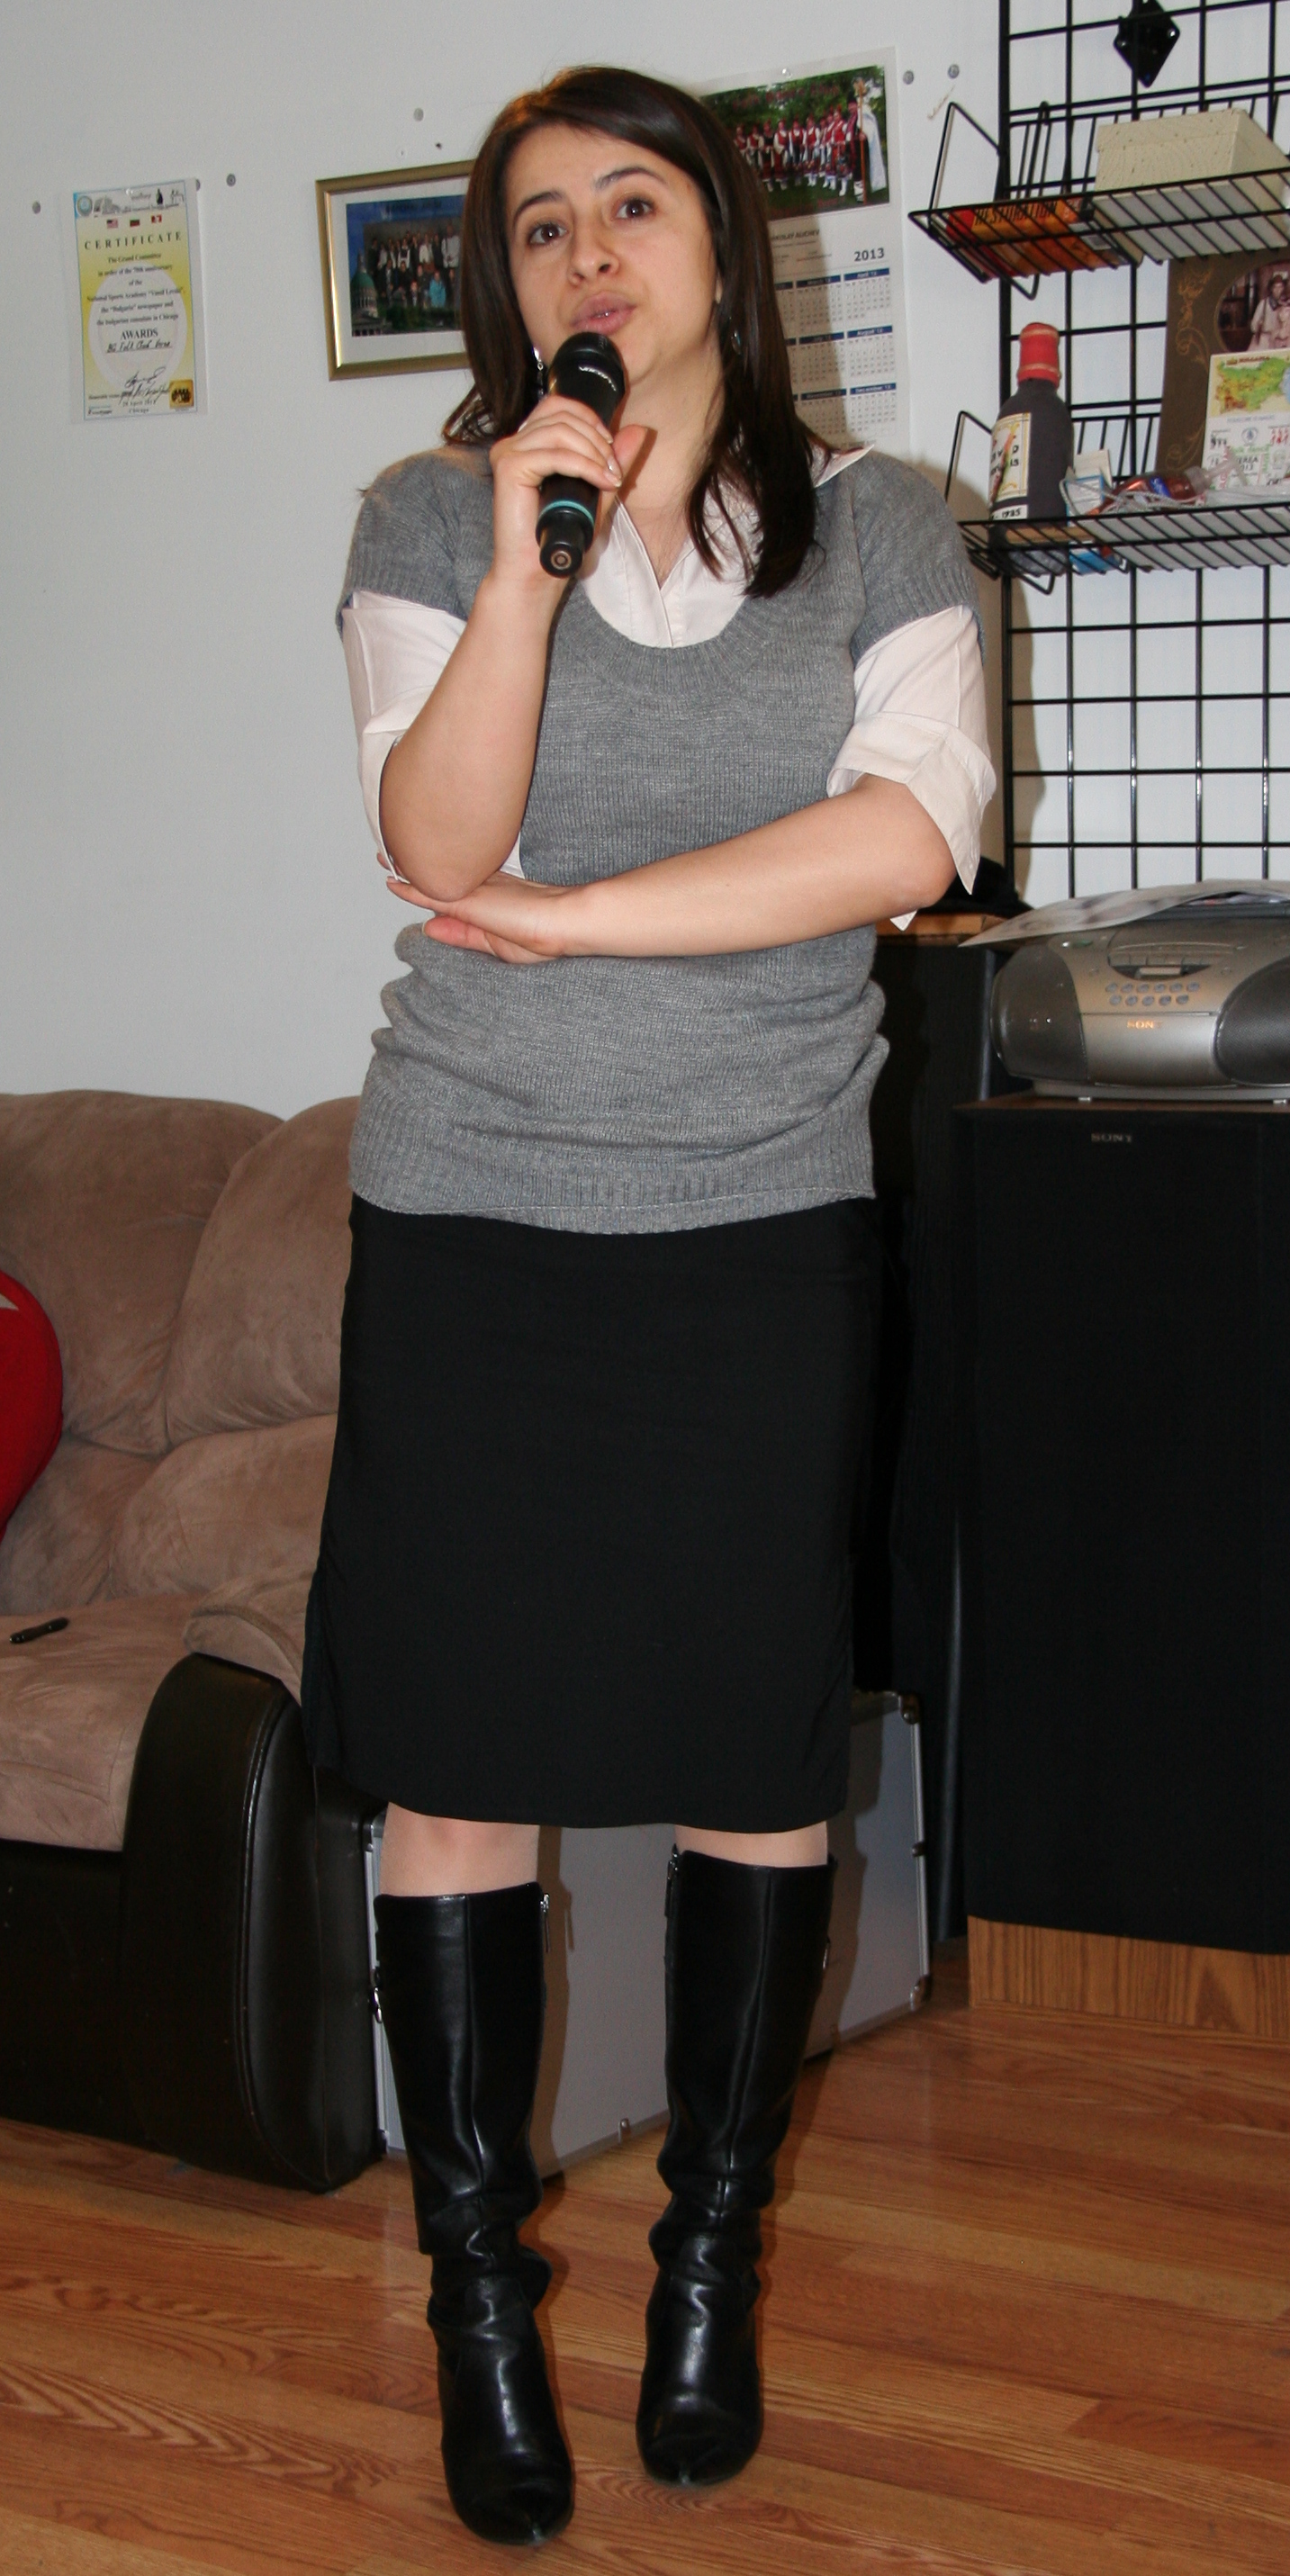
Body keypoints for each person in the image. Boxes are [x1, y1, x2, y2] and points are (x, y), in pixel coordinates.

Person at [308, 61, 993, 2551]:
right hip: (474, 1223)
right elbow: (434, 834)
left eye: (633, 204)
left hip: (757, 1224)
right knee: (453, 1775)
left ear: (724, 245)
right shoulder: (431, 513)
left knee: (750, 1758)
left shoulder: (880, 524)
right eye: (537, 225)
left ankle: (709, 2259)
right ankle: (477, 2299)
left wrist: (587, 923)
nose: (588, 253)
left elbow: (909, 834)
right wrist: (524, 566)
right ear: (506, 287)